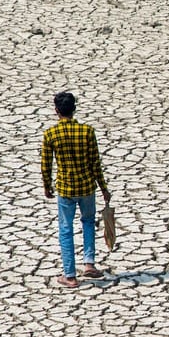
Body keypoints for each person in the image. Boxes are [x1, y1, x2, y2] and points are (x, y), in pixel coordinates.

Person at [41, 91, 112, 288]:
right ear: (74, 109)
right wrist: (103, 188)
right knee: (88, 222)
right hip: (87, 187)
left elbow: (46, 165)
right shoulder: (87, 132)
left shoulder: (51, 134)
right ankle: (89, 263)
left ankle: (70, 275)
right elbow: (95, 163)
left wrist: (47, 186)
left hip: (65, 189)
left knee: (66, 229)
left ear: (57, 111)